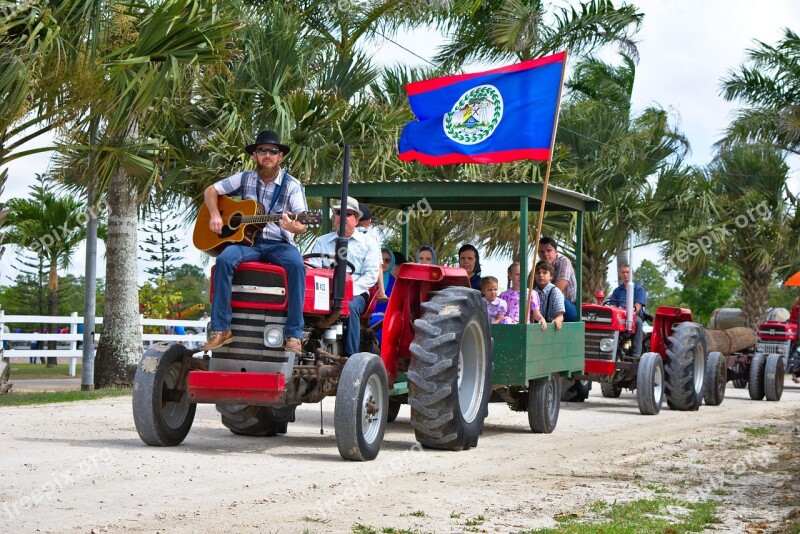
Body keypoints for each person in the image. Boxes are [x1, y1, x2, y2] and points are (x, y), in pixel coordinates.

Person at [201, 130, 308, 353]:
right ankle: (221, 330)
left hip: (279, 244)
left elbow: (303, 223)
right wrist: (215, 215)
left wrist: (292, 226)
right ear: (254, 155)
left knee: (297, 265)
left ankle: (293, 335)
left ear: (280, 156)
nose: (267, 155)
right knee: (224, 260)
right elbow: (211, 190)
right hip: (247, 243)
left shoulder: (291, 186)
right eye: (262, 150)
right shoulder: (244, 178)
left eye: (272, 151)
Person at [309, 196, 381, 356]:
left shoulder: (369, 243)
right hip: (325, 291)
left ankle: (350, 358)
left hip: (355, 292)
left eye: (347, 214)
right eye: (338, 213)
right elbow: (313, 267)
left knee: (349, 306)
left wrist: (347, 292)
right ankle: (304, 346)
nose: (342, 217)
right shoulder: (322, 241)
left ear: (356, 220)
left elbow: (370, 276)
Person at [608, 263, 647, 358]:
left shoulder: (639, 290)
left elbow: (637, 308)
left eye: (627, 272)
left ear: (632, 275)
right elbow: (613, 305)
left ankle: (636, 353)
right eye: (623, 272)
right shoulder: (617, 291)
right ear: (621, 275)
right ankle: (610, 350)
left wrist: (630, 311)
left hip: (633, 316)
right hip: (619, 317)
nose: (625, 274)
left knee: (638, 322)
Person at [538, 237, 578, 322]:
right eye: (542, 252)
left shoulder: (564, 261)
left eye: (549, 251)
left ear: (556, 252)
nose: (545, 254)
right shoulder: (539, 266)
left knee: (555, 293)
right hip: (546, 305)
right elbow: (528, 289)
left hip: (568, 306)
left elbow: (558, 289)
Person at [533, 261, 565, 331]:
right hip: (534, 329)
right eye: (538, 273)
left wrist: (558, 319)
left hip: (550, 329)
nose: (541, 275)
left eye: (544, 272)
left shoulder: (555, 292)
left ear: (551, 276)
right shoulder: (532, 293)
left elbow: (560, 315)